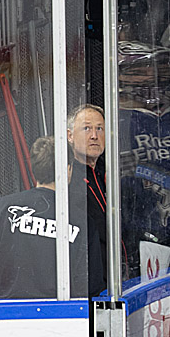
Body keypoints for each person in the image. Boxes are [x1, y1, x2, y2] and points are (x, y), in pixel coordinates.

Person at [0, 136, 102, 299]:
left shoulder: (2, 209)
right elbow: (92, 285)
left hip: (2, 315)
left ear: (33, 168)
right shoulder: (81, 221)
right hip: (63, 316)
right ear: (68, 169)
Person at [67, 104, 109, 292]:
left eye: (99, 128)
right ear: (70, 136)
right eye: (86, 128)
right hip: (86, 285)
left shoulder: (107, 173)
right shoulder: (66, 178)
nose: (94, 135)